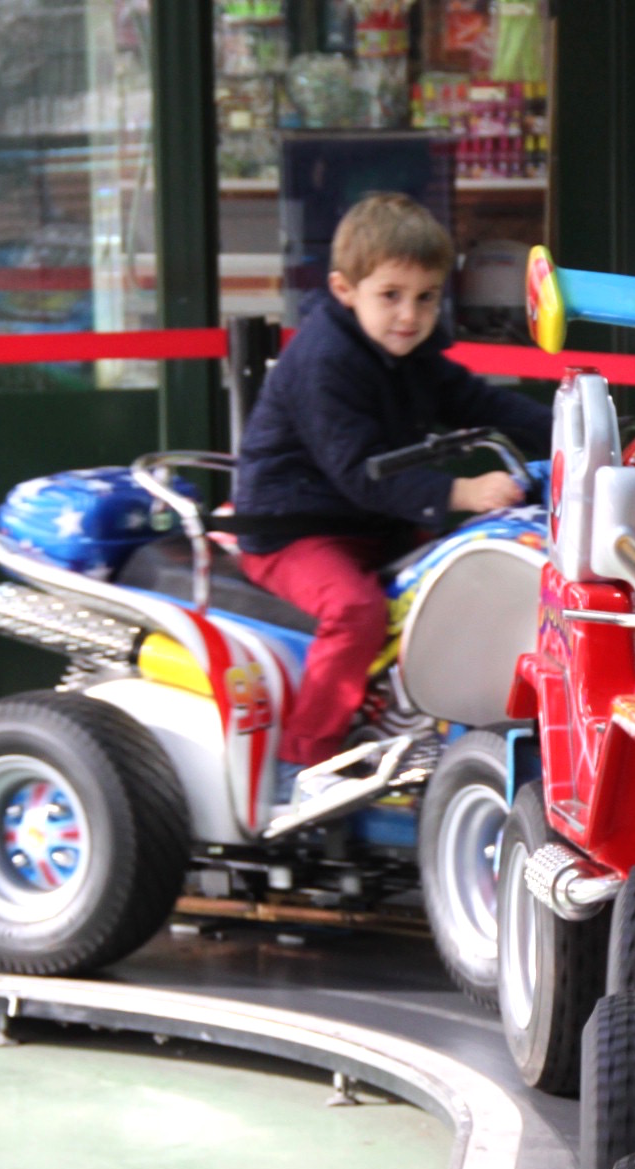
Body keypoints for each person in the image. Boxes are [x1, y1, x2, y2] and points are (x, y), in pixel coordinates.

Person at [232, 192, 553, 771]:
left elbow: (479, 403)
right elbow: (360, 470)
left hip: (371, 522)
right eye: (391, 296)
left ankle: (426, 729)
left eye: (426, 297)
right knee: (356, 611)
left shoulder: (411, 354)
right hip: (293, 529)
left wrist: (572, 431)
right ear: (343, 289)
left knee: (459, 583)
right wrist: (460, 493)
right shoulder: (325, 361)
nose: (410, 315)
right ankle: (305, 761)